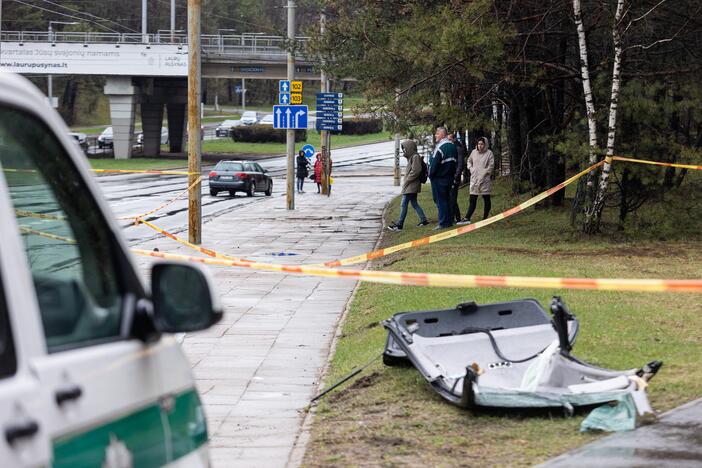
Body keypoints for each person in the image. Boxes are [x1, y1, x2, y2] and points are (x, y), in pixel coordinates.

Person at [387, 139, 429, 231]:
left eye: (405, 149)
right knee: (414, 203)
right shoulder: (412, 157)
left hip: (411, 185)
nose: (404, 151)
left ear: (410, 148)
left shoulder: (415, 157)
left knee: (403, 204)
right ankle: (423, 220)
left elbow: (416, 171)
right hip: (411, 185)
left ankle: (400, 224)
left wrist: (407, 180)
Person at [458, 137, 494, 224]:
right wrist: (471, 168)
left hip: (484, 179)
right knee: (472, 199)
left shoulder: (489, 153)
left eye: (482, 144)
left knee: (486, 198)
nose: (480, 146)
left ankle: (485, 217)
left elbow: (491, 165)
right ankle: (467, 218)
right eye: (479, 144)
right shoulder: (474, 152)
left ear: (485, 144)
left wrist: (485, 172)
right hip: (474, 179)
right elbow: (469, 161)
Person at [429, 126, 457, 230]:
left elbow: (434, 164)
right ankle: (449, 221)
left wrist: (431, 174)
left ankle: (443, 222)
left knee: (440, 200)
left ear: (442, 134)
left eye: (437, 134)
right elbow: (455, 162)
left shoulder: (441, 147)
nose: (435, 136)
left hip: (439, 178)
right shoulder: (452, 146)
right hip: (449, 177)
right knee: (447, 199)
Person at [447, 132, 465, 224]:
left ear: (454, 139)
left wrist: (456, 176)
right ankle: (454, 217)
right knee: (451, 198)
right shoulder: (451, 148)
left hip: (455, 177)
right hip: (450, 176)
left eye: (450, 139)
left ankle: (457, 218)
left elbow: (460, 164)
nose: (448, 141)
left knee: (453, 198)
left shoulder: (458, 149)